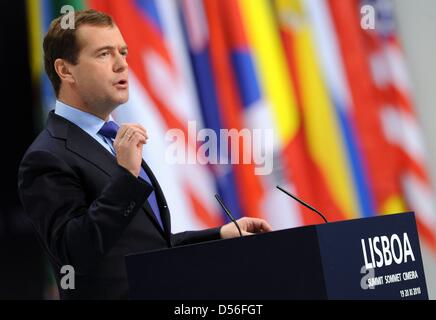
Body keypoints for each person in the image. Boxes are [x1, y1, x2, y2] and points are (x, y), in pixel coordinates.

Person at [17, 9, 271, 300]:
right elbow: (74, 256)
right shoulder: (47, 156)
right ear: (65, 70)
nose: (122, 64)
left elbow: (143, 248)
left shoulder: (112, 140)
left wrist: (218, 235)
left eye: (123, 52)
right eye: (103, 54)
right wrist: (125, 177)